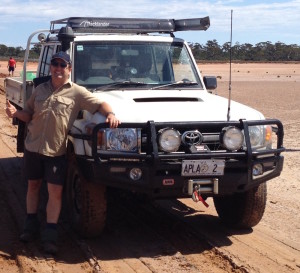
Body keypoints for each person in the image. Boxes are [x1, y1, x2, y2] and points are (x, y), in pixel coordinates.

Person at [5, 51, 120, 255]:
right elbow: (29, 114)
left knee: (55, 192)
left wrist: (110, 114)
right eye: (55, 64)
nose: (58, 68)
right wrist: (15, 114)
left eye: (62, 65)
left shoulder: (77, 92)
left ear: (69, 69)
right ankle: (30, 226)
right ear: (51, 66)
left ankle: (50, 234)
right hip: (33, 147)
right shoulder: (40, 89)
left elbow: (99, 104)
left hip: (56, 151)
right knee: (33, 186)